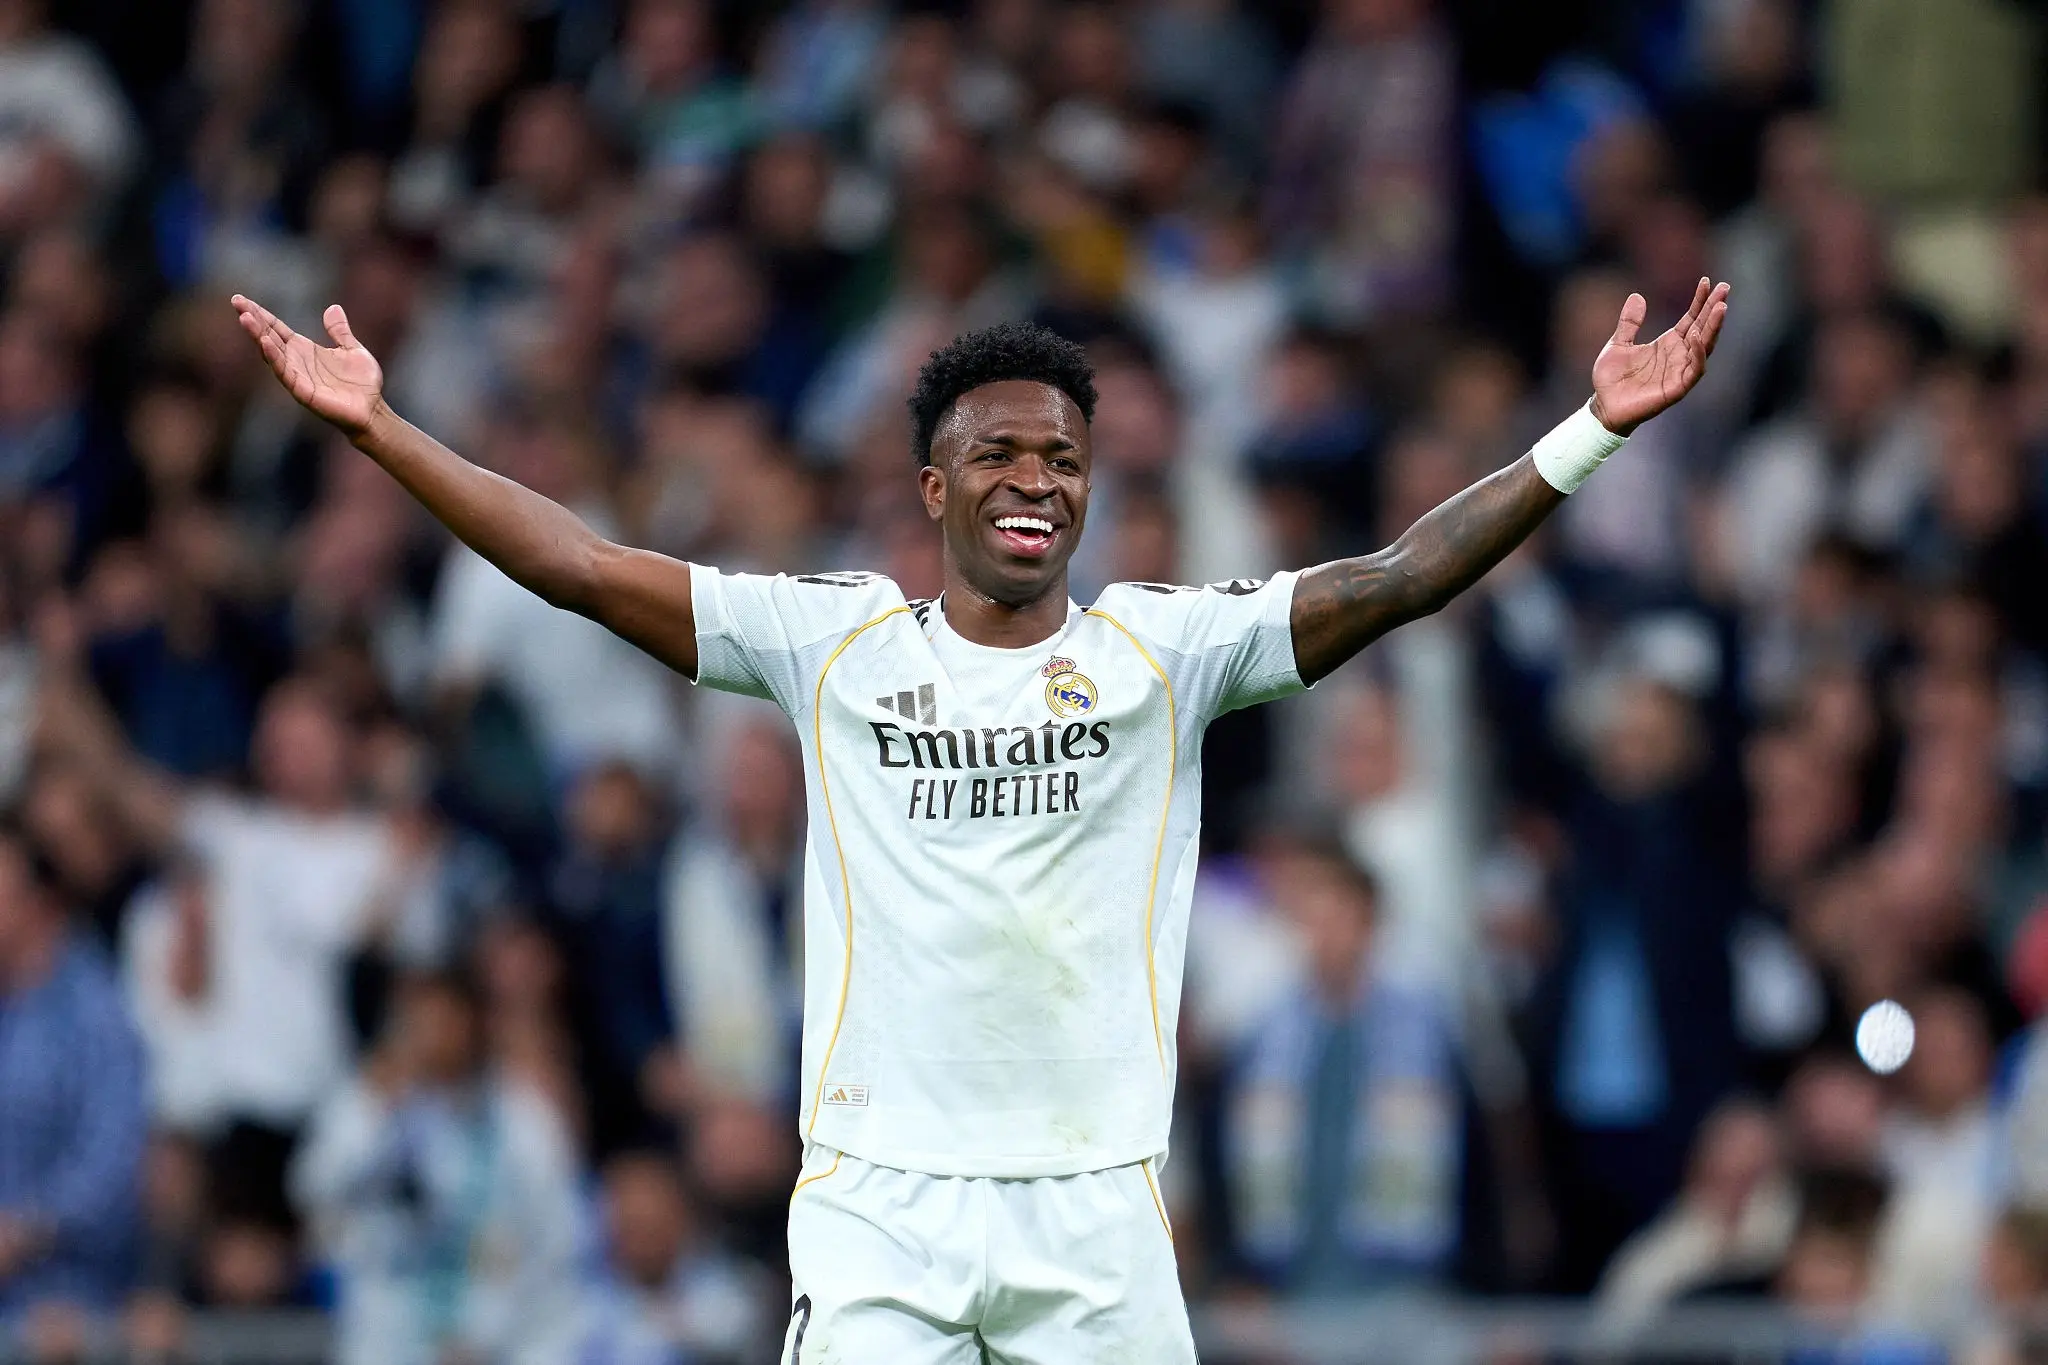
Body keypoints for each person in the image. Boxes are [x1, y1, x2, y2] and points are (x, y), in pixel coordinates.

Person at [228, 271, 1730, 1360]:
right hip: (883, 1207)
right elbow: (579, 566)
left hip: (1095, 1211)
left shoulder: (1164, 649)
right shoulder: (831, 642)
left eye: (1064, 459)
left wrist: (1586, 434)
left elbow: (1396, 576)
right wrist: (384, 432)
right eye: (999, 455)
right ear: (931, 484)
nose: (1036, 482)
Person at [0, 824, 148, 1321]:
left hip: (67, 1298)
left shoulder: (95, 1014)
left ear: (38, 903)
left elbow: (111, 1160)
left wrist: (25, 1231)